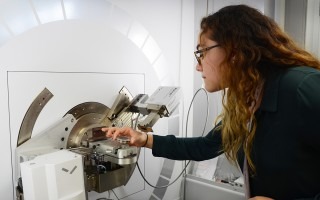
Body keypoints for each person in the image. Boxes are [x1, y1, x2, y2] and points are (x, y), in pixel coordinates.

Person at [102, 4, 320, 200]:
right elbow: (205, 147)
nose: (198, 66)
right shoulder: (248, 102)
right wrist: (144, 139)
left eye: (202, 51)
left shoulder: (301, 87)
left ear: (234, 50)